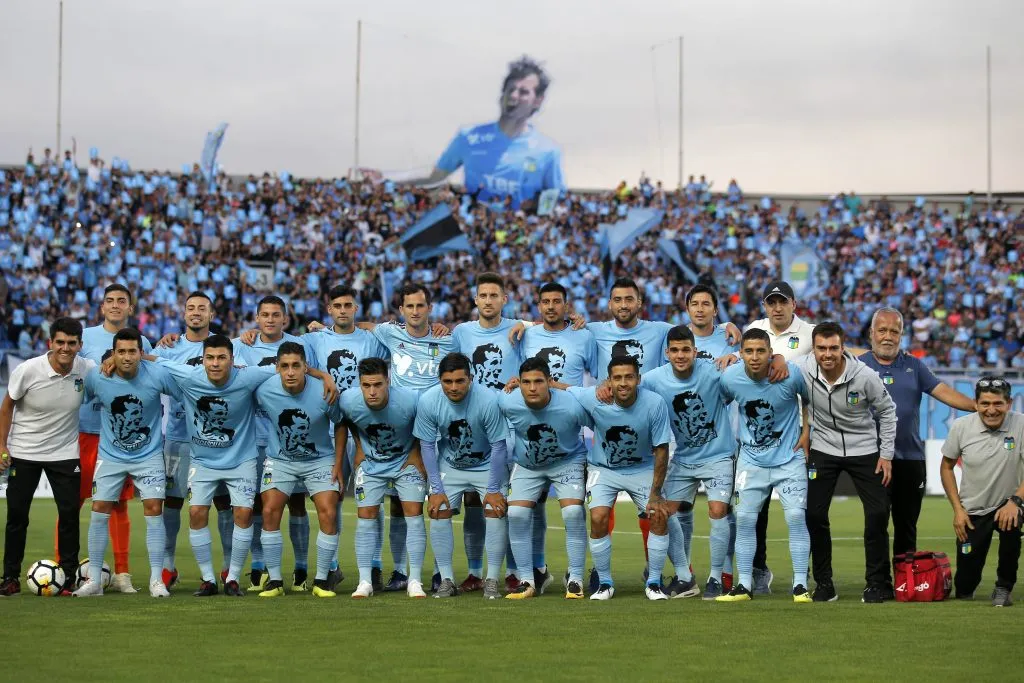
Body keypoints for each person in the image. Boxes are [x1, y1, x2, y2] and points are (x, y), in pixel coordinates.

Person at [151, 335, 335, 596]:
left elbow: (287, 367)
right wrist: (118, 358)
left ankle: (233, 578)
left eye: (221, 358)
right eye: (210, 358)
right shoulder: (189, 376)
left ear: (232, 360)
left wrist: (323, 375)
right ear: (202, 360)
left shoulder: (248, 376)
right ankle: (208, 579)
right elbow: (153, 360)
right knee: (196, 513)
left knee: (245, 514)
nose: (215, 363)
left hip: (242, 460)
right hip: (202, 461)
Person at [72, 328, 181, 598]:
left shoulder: (157, 374)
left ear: (141, 353)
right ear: (113, 353)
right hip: (110, 456)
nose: (127, 357)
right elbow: (78, 400)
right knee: (99, 508)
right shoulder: (98, 377)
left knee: (154, 509)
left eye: (133, 351)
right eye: (121, 352)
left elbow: (183, 389)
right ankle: (94, 581)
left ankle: (156, 581)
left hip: (149, 456)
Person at [859, 307, 976, 556]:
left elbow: (944, 392)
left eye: (894, 331)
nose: (888, 337)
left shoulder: (914, 365)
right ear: (872, 333)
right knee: (875, 524)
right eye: (882, 330)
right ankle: (878, 577)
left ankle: (906, 576)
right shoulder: (858, 366)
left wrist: (978, 407)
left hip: (910, 459)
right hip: (872, 459)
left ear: (901, 335)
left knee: (907, 526)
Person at [796, 322, 898, 604]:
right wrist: (804, 429)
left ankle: (877, 583)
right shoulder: (802, 369)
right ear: (813, 349)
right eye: (821, 348)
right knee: (814, 515)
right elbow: (786, 386)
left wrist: (886, 454)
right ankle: (824, 583)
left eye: (833, 348)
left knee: (878, 513)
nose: (827, 354)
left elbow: (888, 412)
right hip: (823, 448)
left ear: (843, 348)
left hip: (864, 449)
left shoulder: (865, 376)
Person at [716, 329, 813, 603]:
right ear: (741, 354)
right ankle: (744, 585)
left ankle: (800, 585)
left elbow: (809, 399)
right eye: (749, 351)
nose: (755, 357)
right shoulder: (730, 378)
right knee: (745, 520)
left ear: (771, 353)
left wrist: (807, 431)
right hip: (751, 461)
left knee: (796, 517)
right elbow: (721, 401)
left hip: (789, 458)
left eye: (761, 351)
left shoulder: (790, 375)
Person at [0, 318, 94, 596]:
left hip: (64, 454)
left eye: (71, 343)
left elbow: (113, 367)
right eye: (60, 342)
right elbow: (6, 407)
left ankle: (68, 577)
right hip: (24, 452)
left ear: (80, 345)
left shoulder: (87, 369)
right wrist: (1, 446)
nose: (65, 348)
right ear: (50, 343)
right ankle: (10, 578)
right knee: (17, 517)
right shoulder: (28, 370)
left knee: (69, 515)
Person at [303, 284, 389, 590]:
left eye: (347, 305)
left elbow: (400, 338)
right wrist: (323, 375)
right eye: (337, 305)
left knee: (373, 498)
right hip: (328, 430)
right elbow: (296, 362)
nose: (342, 310)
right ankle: (332, 566)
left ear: (355, 308)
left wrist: (369, 325)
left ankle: (375, 566)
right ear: (329, 309)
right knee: (333, 497)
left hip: (366, 429)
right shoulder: (314, 339)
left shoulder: (372, 339)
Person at [568, 356, 672, 601]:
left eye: (628, 377)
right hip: (604, 469)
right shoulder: (594, 398)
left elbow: (662, 449)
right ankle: (605, 583)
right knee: (598, 517)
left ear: (638, 379)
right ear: (609, 381)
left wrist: (656, 494)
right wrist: (525, 383)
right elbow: (564, 389)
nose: (623, 383)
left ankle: (654, 582)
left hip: (642, 468)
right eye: (617, 378)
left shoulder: (654, 403)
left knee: (658, 515)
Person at [645, 326, 736, 599]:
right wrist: (604, 388)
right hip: (684, 458)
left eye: (686, 350)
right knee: (662, 512)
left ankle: (716, 578)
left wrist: (738, 357)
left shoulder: (714, 372)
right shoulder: (654, 379)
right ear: (667, 353)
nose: (680, 355)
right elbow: (627, 389)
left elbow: (751, 371)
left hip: (719, 455)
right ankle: (685, 577)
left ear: (695, 351)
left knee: (717, 511)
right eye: (675, 350)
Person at [152, 291, 234, 589]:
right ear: (184, 313)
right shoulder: (167, 349)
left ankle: (227, 568)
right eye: (191, 308)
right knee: (172, 502)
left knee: (223, 503)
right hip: (179, 437)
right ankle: (167, 566)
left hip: (216, 440)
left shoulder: (226, 346)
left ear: (211, 314)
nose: (196, 312)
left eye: (202, 308)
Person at [75, 284, 153, 593]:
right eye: (110, 300)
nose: (116, 305)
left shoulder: (141, 341)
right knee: (73, 502)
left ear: (130, 308)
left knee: (118, 505)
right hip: (85, 431)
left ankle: (122, 573)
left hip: (122, 437)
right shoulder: (85, 338)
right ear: (102, 307)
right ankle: (64, 567)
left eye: (122, 301)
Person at [409, 55, 565, 208]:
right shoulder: (469, 137)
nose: (513, 96)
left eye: (523, 92)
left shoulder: (547, 151)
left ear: (538, 101)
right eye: (510, 89)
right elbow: (435, 180)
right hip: (472, 223)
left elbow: (552, 200)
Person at [493, 357, 590, 600]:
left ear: (550, 382)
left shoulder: (572, 405)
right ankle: (527, 580)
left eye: (538, 381)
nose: (532, 388)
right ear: (518, 383)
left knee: (573, 513)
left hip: (567, 461)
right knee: (516, 514)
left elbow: (599, 420)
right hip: (528, 465)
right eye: (526, 382)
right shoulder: (507, 401)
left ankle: (575, 578)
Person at [254, 342, 345, 599]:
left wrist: (338, 464)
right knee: (269, 510)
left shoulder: (324, 391)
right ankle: (274, 581)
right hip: (280, 460)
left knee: (328, 512)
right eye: (285, 366)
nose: (290, 372)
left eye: (296, 365)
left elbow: (341, 424)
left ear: (306, 367)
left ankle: (322, 580)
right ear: (277, 368)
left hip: (320, 460)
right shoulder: (264, 389)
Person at [414, 353, 509, 599]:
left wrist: (493, 490)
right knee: (438, 510)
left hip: (486, 464)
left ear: (471, 379)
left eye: (459, 381)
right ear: (439, 380)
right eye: (447, 382)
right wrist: (436, 490)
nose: (453, 387)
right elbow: (426, 446)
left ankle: (491, 580)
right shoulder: (428, 401)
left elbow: (499, 446)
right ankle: (446, 580)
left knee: (495, 509)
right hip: (451, 466)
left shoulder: (488, 400)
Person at [450, 273, 522, 593]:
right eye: (484, 295)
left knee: (511, 502)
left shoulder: (519, 329)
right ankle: (474, 571)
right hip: (473, 426)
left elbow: (549, 330)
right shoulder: (461, 333)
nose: (489, 300)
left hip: (511, 427)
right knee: (472, 500)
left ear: (504, 299)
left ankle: (516, 570)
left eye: (495, 295)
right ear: (475, 299)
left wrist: (530, 324)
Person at [234, 295, 311, 593]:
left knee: (297, 502)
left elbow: (312, 375)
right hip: (252, 438)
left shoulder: (300, 345)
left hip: (289, 438)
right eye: (264, 314)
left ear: (285, 319)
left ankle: (301, 569)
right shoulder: (242, 345)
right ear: (256, 318)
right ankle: (259, 567)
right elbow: (213, 354)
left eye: (275, 314)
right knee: (257, 503)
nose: (270, 319)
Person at [342, 358, 427, 600]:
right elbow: (345, 420)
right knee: (366, 515)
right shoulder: (348, 400)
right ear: (360, 384)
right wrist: (359, 446)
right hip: (371, 464)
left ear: (388, 381)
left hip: (405, 462)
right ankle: (365, 581)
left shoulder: (411, 400)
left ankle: (415, 580)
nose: (372, 392)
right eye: (366, 385)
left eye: (378, 385)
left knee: (414, 514)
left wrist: (416, 452)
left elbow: (425, 423)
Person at [940, 377, 1023, 607]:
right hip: (973, 508)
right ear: (976, 404)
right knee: (964, 586)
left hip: (1009, 503)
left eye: (998, 403)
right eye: (985, 403)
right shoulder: (961, 427)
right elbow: (946, 467)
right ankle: (967, 587)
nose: (991, 410)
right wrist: (958, 510)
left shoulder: (1021, 424)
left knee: (1011, 525)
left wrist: (1015, 501)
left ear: (1008, 403)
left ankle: (1003, 587)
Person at [682, 284, 740, 590]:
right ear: (687, 308)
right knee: (680, 510)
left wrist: (737, 351)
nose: (700, 308)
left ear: (715, 310)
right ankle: (685, 572)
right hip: (682, 442)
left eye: (706, 304)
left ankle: (724, 572)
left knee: (722, 510)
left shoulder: (729, 338)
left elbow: (755, 352)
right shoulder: (675, 338)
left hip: (721, 439)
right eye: (695, 303)